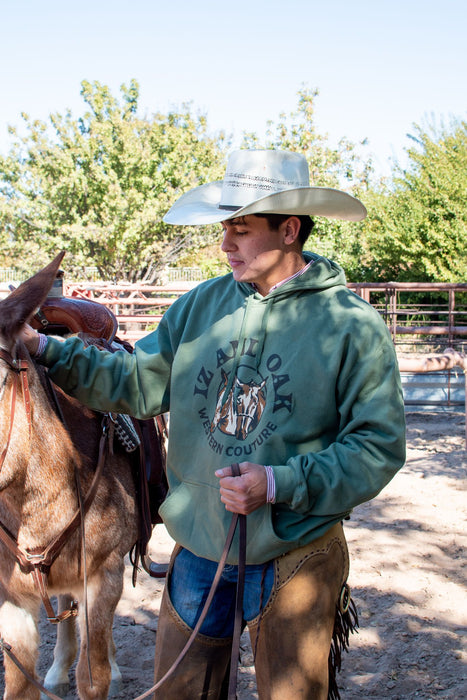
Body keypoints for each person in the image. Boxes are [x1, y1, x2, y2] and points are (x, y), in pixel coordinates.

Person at [22, 149, 406, 700]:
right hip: (199, 543)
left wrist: (278, 483)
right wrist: (48, 351)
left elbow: (378, 446)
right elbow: (136, 381)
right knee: (181, 692)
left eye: (242, 230)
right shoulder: (200, 305)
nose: (226, 243)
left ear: (289, 229)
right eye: (225, 227)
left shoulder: (351, 326)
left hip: (294, 546)